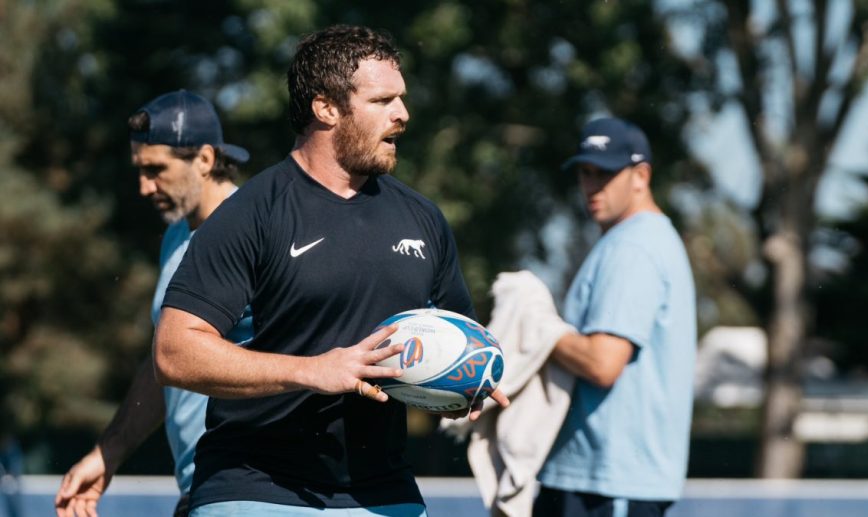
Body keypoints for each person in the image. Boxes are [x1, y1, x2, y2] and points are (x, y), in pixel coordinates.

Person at [152, 24, 509, 517]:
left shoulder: (422, 218)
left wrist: (465, 383)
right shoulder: (252, 213)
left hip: (384, 492)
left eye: (401, 98)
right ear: (326, 109)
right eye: (382, 100)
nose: (402, 114)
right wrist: (313, 371)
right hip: (255, 487)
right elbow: (174, 352)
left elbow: (458, 336)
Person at [54, 90, 254, 517]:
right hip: (199, 488)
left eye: (156, 169)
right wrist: (108, 451)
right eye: (140, 170)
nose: (144, 186)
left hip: (251, 486)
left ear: (204, 159)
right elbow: (168, 359)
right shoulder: (176, 236)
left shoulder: (259, 229)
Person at [533, 117, 697, 517]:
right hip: (596, 479)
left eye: (604, 173)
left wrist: (536, 327)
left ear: (641, 176)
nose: (592, 186)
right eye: (585, 173)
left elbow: (602, 363)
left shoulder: (635, 246)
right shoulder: (633, 240)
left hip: (609, 483)